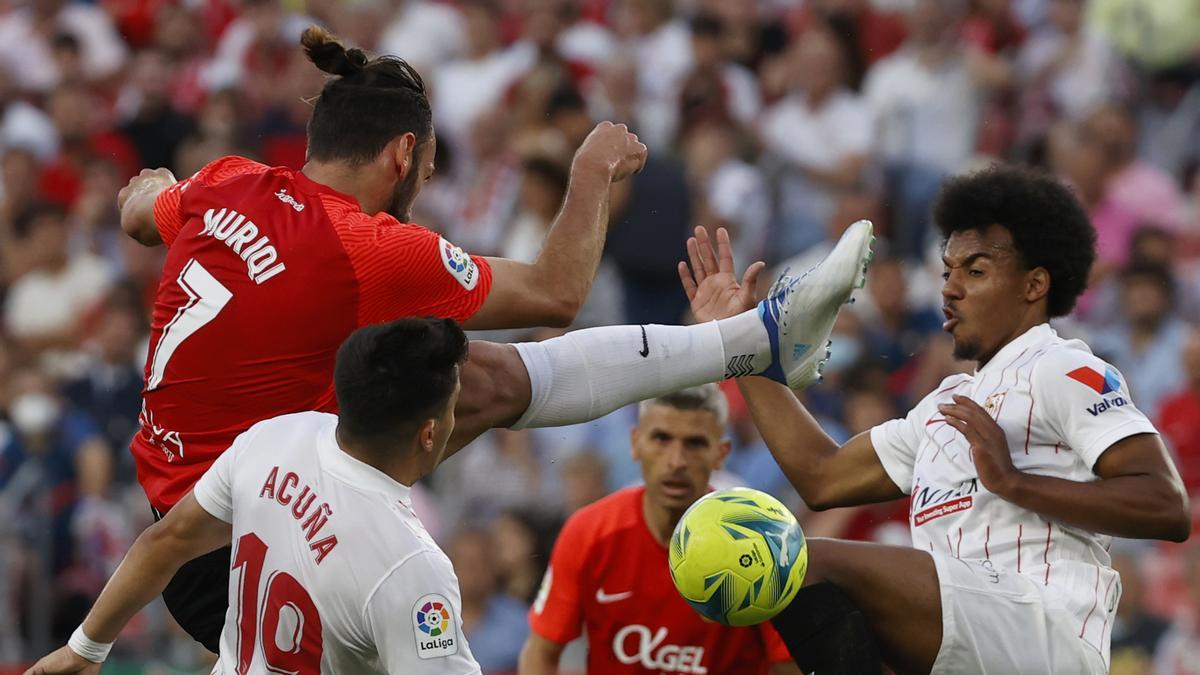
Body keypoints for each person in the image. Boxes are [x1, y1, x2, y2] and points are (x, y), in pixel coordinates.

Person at [115, 24, 645, 652]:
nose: (423, 185)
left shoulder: (227, 180)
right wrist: (590, 169)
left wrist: (155, 186)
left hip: (176, 528)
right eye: (426, 166)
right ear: (401, 155)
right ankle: (741, 343)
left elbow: (138, 213)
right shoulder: (371, 249)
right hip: (256, 543)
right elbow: (556, 292)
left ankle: (735, 345)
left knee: (474, 381)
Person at [679, 165, 1191, 674]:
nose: (949, 288)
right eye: (947, 271)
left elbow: (1165, 506)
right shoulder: (943, 406)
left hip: (1048, 634)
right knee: (799, 595)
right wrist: (743, 342)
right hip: (972, 646)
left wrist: (1013, 483)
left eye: (975, 271)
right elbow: (822, 476)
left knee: (801, 564)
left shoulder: (1062, 367)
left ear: (1034, 285)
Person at [24, 318, 486, 674]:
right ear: (428, 433)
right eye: (451, 407)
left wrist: (84, 646)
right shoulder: (410, 567)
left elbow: (168, 539)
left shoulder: (275, 438)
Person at [519, 384, 799, 674]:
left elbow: (790, 665)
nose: (676, 461)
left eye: (695, 443)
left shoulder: (758, 547)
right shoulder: (590, 531)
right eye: (661, 439)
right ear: (635, 443)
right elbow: (540, 653)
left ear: (721, 453)